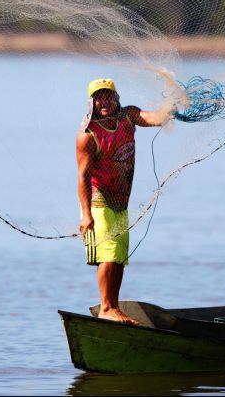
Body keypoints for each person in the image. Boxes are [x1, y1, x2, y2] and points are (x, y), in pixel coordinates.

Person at [76, 78, 169, 325]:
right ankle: (107, 307)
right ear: (92, 102)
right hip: (100, 203)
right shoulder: (88, 135)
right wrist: (86, 214)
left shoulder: (128, 117)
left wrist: (171, 110)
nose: (104, 101)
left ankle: (113, 306)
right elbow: (83, 177)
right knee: (108, 255)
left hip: (121, 202)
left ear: (116, 98)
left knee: (118, 258)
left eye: (108, 96)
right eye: (99, 97)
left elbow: (152, 118)